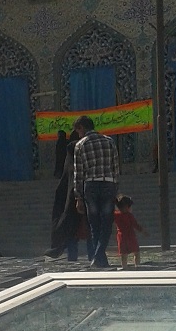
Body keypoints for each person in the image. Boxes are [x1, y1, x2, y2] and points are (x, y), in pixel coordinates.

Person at [72, 114, 119, 268]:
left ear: (81, 128)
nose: (78, 134)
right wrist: (115, 187)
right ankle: (100, 259)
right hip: (108, 183)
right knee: (107, 222)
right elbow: (115, 167)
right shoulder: (109, 141)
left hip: (90, 185)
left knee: (94, 223)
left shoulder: (80, 145)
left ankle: (97, 256)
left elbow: (79, 173)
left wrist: (78, 197)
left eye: (78, 131)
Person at [44, 131, 94, 262]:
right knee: (89, 231)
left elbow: (66, 186)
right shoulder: (84, 158)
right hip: (86, 199)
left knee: (74, 232)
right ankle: (92, 258)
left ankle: (73, 258)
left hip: (72, 203)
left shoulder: (71, 159)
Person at [114, 194, 146, 269]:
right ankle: (137, 266)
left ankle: (124, 267)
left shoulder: (116, 215)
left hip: (121, 236)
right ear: (126, 207)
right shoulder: (129, 216)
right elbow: (135, 225)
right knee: (136, 253)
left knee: (123, 254)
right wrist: (143, 231)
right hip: (131, 236)